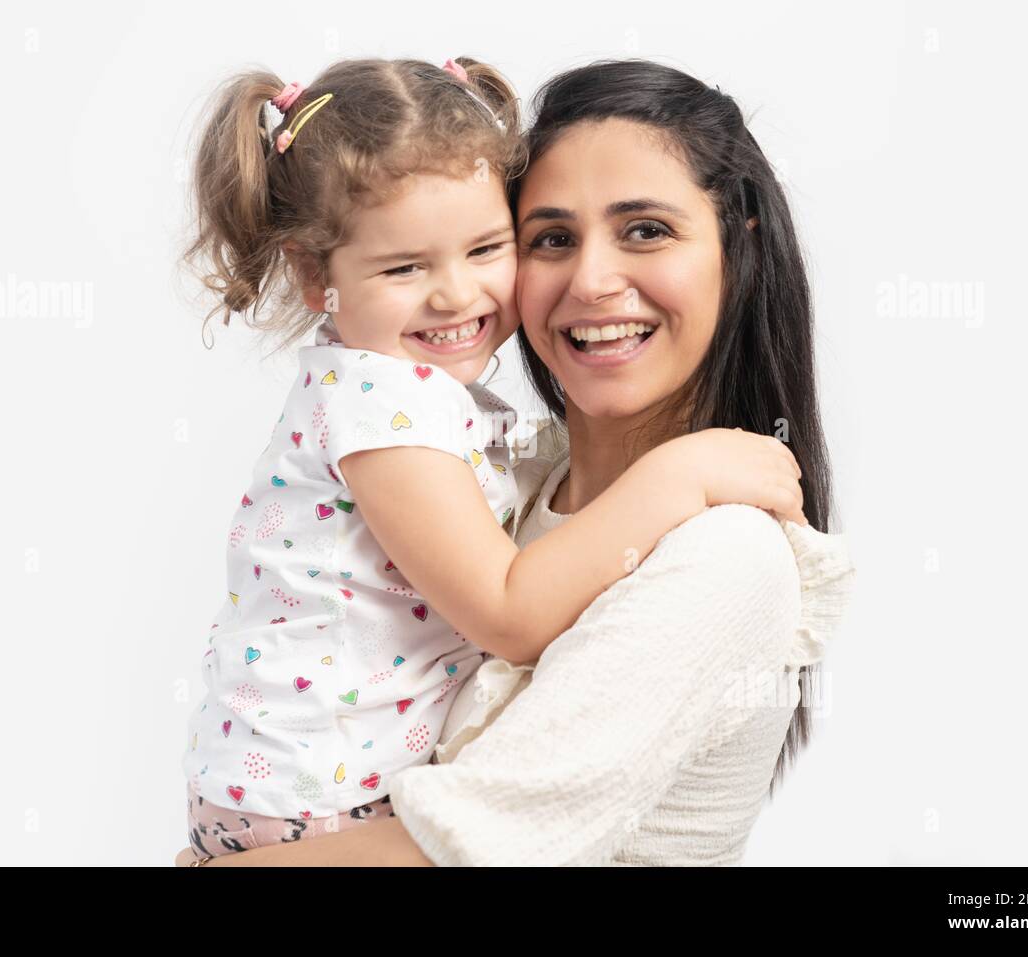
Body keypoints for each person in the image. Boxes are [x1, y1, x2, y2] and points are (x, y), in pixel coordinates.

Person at [178, 56, 809, 857]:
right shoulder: (493, 463)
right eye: (550, 237)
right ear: (315, 274)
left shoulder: (724, 551)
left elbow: (474, 848)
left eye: (646, 230)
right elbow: (510, 613)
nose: (592, 279)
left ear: (738, 246)